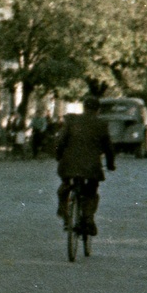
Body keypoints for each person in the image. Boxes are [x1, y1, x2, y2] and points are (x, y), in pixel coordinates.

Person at [56, 95, 116, 236]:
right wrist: (110, 164)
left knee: (65, 186)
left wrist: (59, 156)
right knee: (91, 191)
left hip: (69, 165)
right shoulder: (101, 124)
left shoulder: (72, 121)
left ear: (84, 107)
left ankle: (65, 214)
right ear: (97, 110)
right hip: (91, 168)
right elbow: (108, 148)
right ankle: (88, 218)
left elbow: (61, 141)